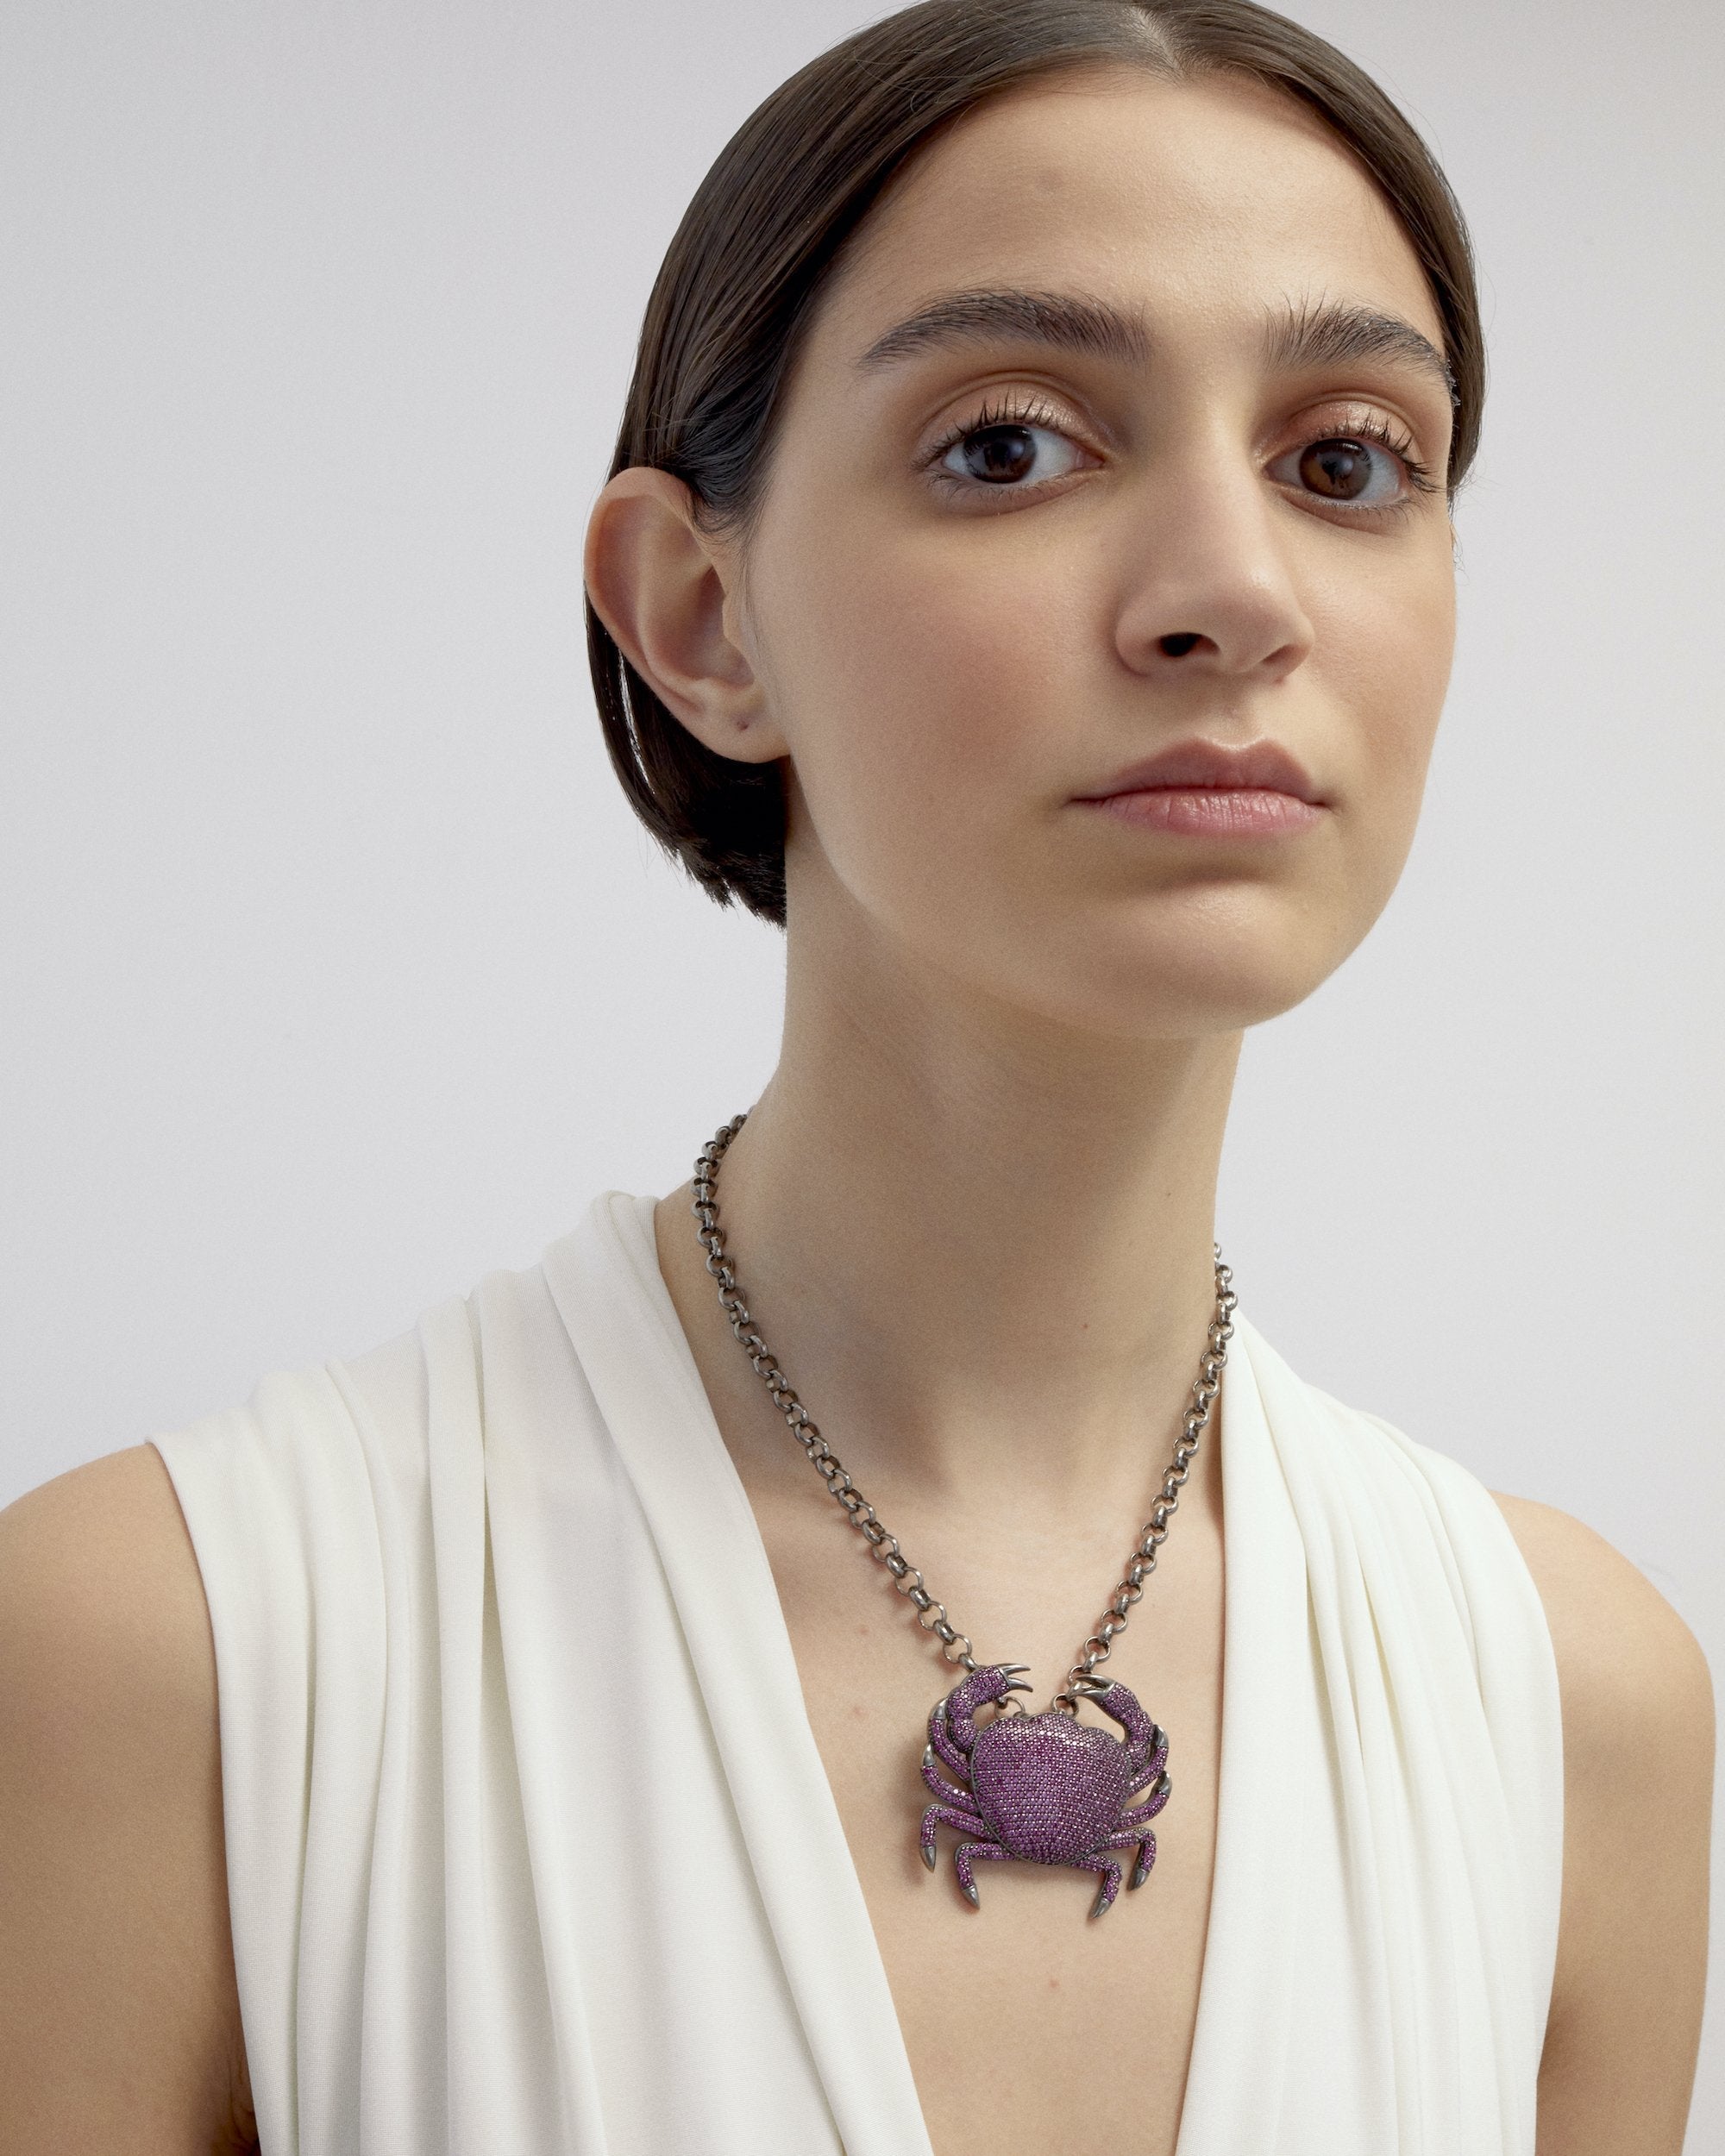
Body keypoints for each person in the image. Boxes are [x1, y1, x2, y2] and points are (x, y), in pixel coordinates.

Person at [0, 1, 1712, 2151]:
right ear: (699, 616)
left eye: (1345, 461)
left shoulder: (1575, 1712)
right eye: (1009, 444)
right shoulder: (163, 1659)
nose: (1232, 593)